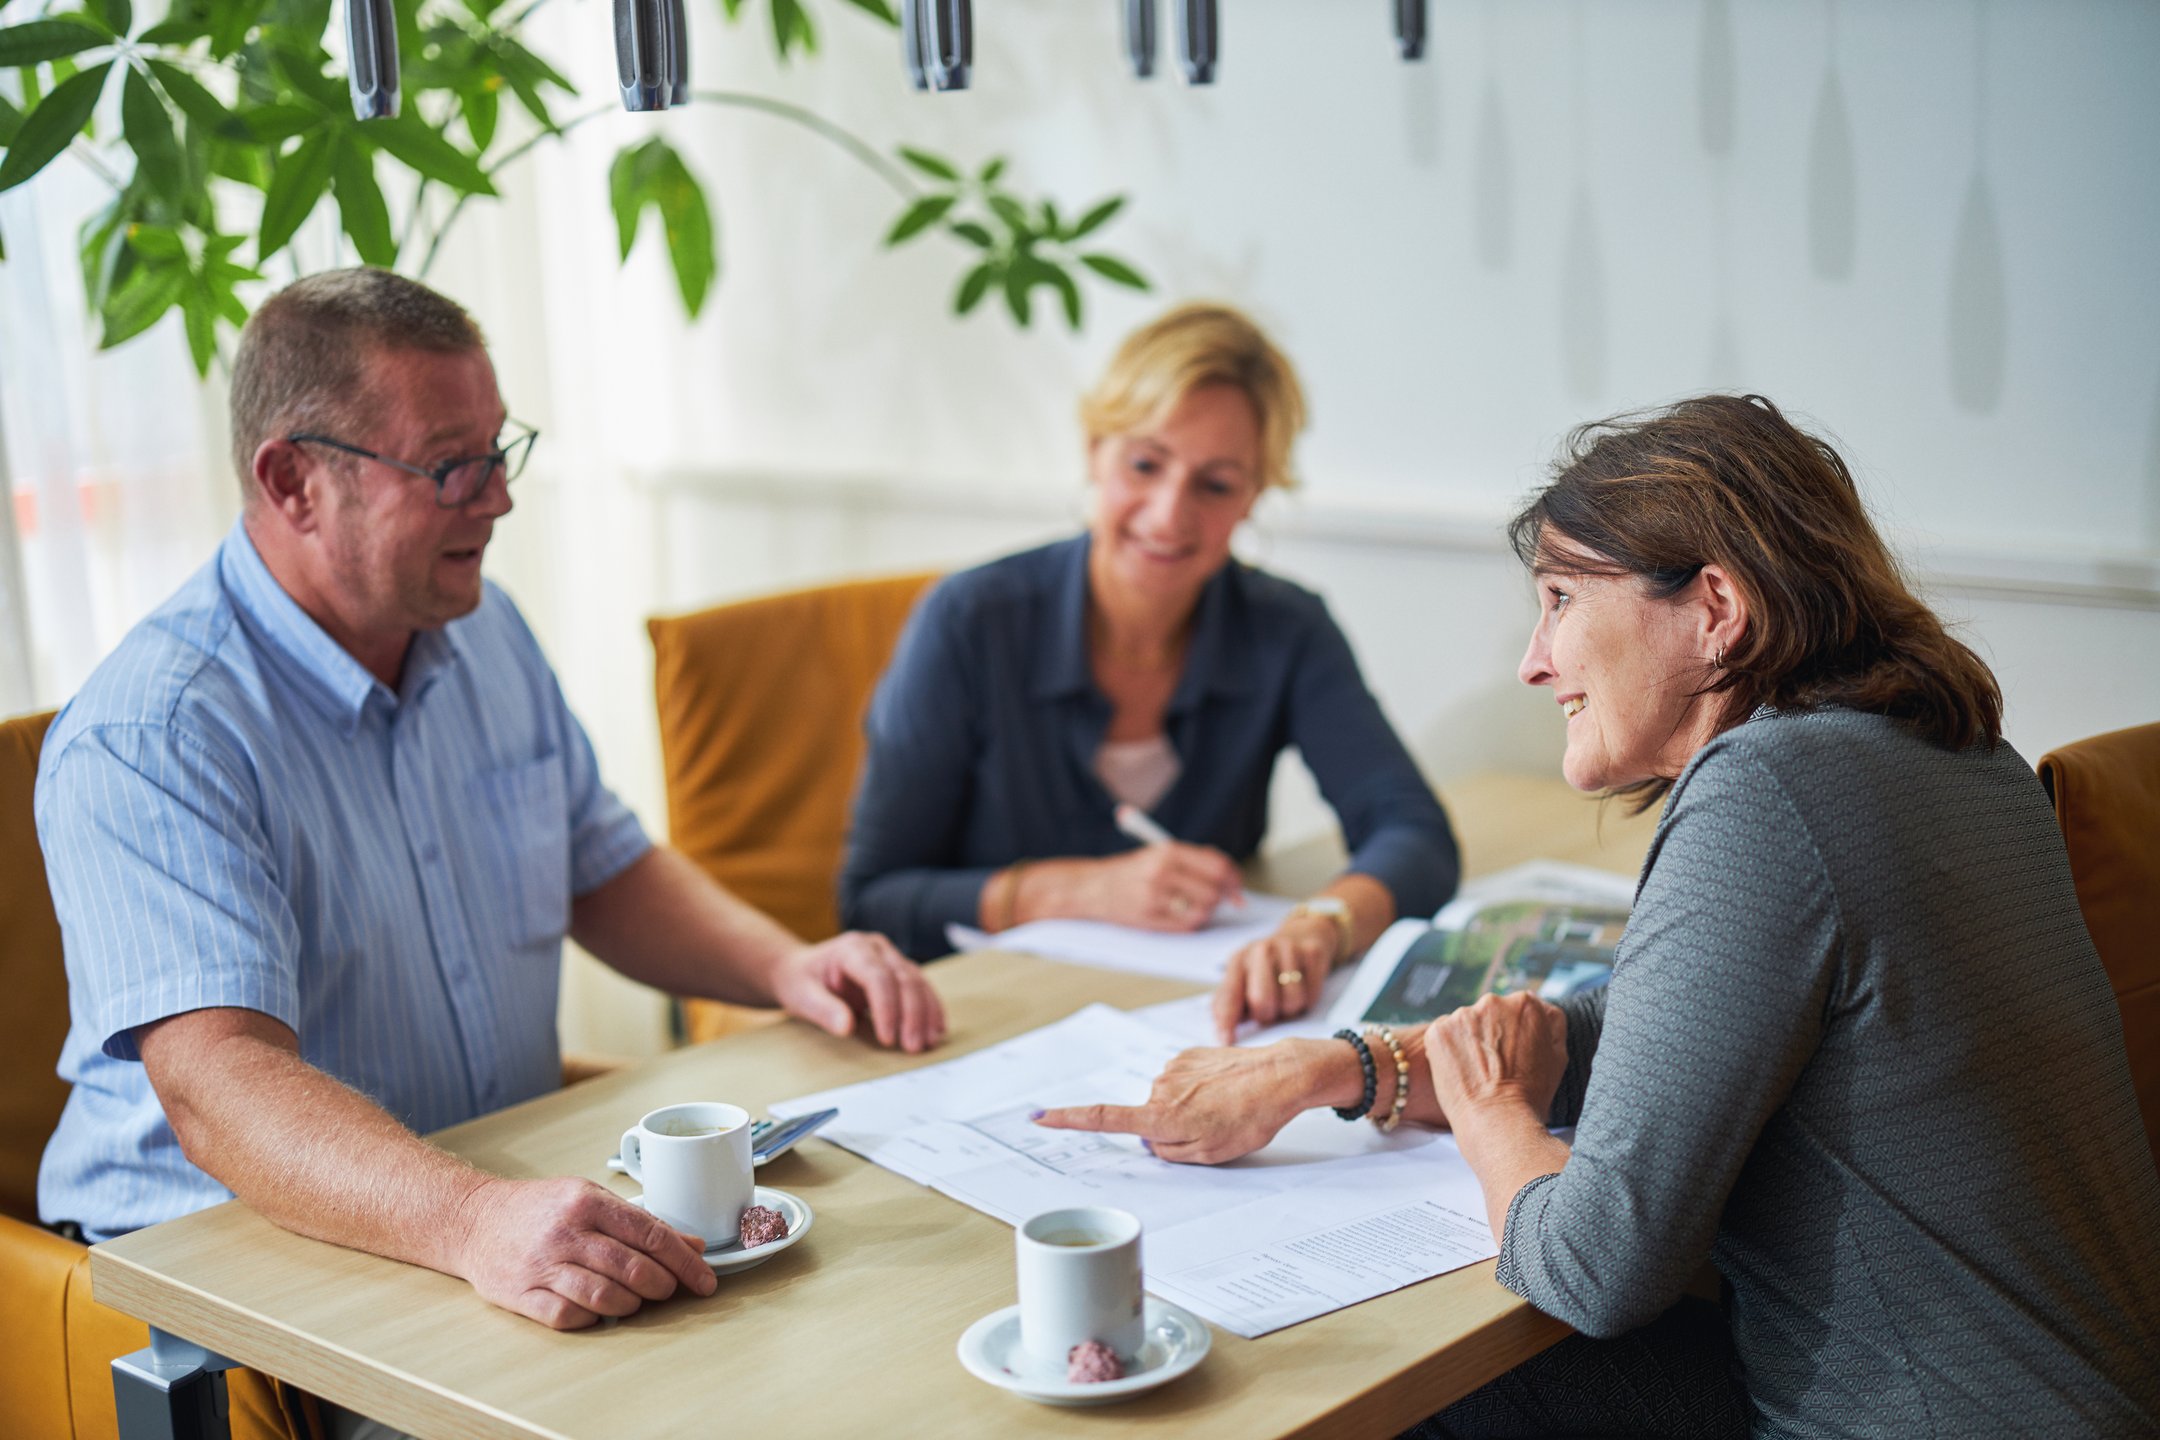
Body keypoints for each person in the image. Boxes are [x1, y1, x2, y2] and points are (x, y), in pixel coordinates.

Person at [1036, 395, 2160, 1436]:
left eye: (1562, 602)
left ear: (1715, 608)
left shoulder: (1766, 793)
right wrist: (1339, 1070)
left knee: (1368, 1381)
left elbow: (1593, 1270)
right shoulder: (1957, 757)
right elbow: (1650, 1035)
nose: (1535, 663)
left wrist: (1494, 1127)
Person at [36, 270, 947, 1350]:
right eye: (450, 465)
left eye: (499, 451)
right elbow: (221, 1091)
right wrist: (472, 1219)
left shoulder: (483, 629)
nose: (499, 497)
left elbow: (599, 864)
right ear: (293, 482)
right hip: (220, 1285)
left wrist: (783, 967)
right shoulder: (156, 735)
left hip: (467, 1209)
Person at [839, 303, 1458, 1040]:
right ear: (1094, 452)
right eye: (1144, 464)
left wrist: (1321, 925)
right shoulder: (971, 622)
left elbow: (1414, 832)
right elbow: (870, 897)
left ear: (1254, 497)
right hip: (977, 1027)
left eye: (1216, 484)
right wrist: (1082, 889)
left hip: (1191, 1029)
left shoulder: (1285, 629)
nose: (1169, 515)